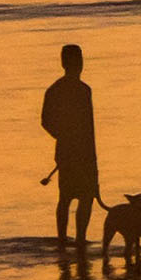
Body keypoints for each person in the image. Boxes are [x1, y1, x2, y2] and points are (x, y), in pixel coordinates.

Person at [41, 44, 101, 249]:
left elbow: (47, 121)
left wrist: (64, 138)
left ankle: (70, 240)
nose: (81, 64)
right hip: (77, 153)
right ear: (69, 63)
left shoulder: (65, 90)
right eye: (78, 60)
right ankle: (73, 240)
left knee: (73, 197)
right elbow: (47, 121)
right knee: (74, 197)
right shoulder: (78, 91)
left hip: (73, 153)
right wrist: (66, 136)